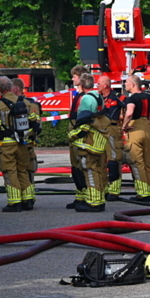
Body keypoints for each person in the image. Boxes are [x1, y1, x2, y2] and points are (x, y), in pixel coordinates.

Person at [0, 76, 36, 212]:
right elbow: (33, 122)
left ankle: (14, 202)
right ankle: (28, 200)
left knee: (10, 172)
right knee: (22, 170)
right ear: (10, 87)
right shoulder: (25, 102)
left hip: (7, 144)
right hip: (23, 143)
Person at [122, 74, 150, 202]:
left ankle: (142, 193)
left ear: (133, 84)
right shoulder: (149, 97)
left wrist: (124, 126)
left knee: (137, 162)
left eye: (127, 83)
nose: (125, 85)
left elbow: (129, 113)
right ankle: (149, 191)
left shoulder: (132, 99)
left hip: (135, 129)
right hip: (147, 128)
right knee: (147, 161)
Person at [69, 75, 108, 212]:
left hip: (89, 141)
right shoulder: (98, 96)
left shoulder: (86, 99)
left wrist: (73, 135)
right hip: (98, 139)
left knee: (90, 171)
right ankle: (99, 199)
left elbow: (83, 122)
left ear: (82, 84)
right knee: (97, 170)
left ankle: (93, 202)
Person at [11, 78, 42, 209]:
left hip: (22, 143)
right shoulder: (32, 104)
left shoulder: (24, 104)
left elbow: (36, 125)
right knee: (26, 172)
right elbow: (38, 126)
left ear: (16, 89)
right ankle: (28, 198)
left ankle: (27, 199)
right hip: (28, 143)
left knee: (24, 171)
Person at [99, 76, 126, 200]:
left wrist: (126, 122)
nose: (97, 86)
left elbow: (130, 105)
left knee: (114, 160)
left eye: (99, 84)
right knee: (101, 159)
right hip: (99, 129)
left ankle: (114, 191)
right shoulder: (97, 97)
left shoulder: (117, 96)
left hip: (113, 129)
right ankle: (103, 188)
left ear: (105, 85)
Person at [65, 67, 88, 210]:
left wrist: (76, 134)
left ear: (81, 78)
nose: (72, 79)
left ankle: (86, 196)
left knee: (82, 167)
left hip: (79, 136)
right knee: (75, 167)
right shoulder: (78, 95)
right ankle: (80, 196)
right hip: (74, 133)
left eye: (74, 77)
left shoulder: (85, 97)